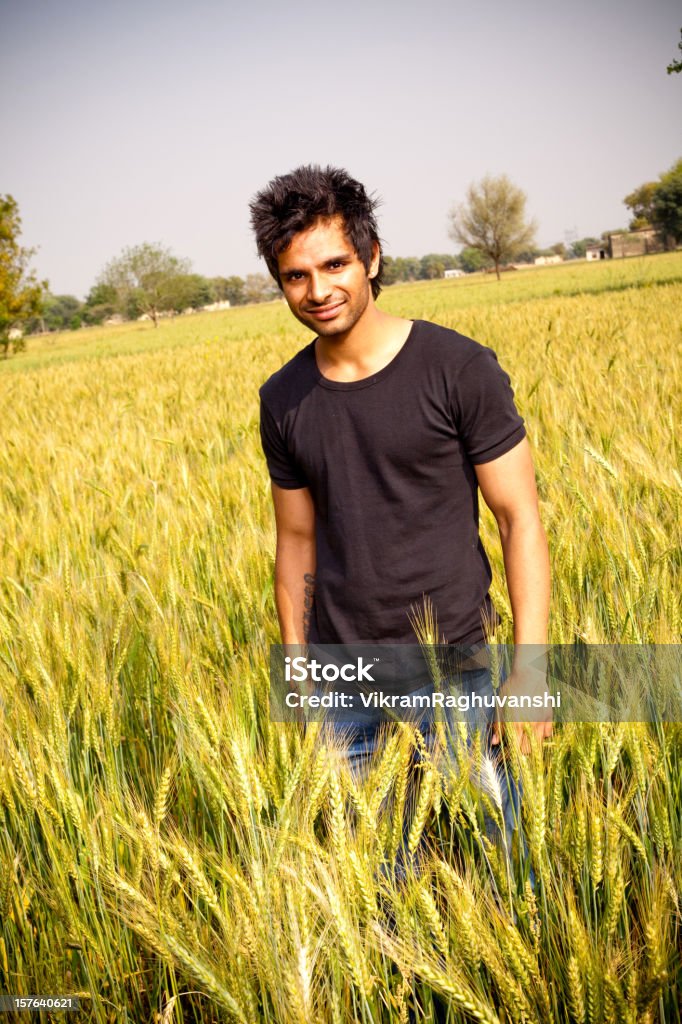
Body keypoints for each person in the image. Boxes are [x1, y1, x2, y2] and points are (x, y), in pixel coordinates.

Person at [250, 164, 551, 859]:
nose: (318, 290)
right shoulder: (283, 398)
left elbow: (519, 519)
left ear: (372, 257)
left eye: (335, 264)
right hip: (345, 686)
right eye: (296, 276)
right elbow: (295, 540)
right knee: (380, 893)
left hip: (459, 672)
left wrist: (530, 671)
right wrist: (299, 668)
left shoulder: (458, 368)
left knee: (501, 876)